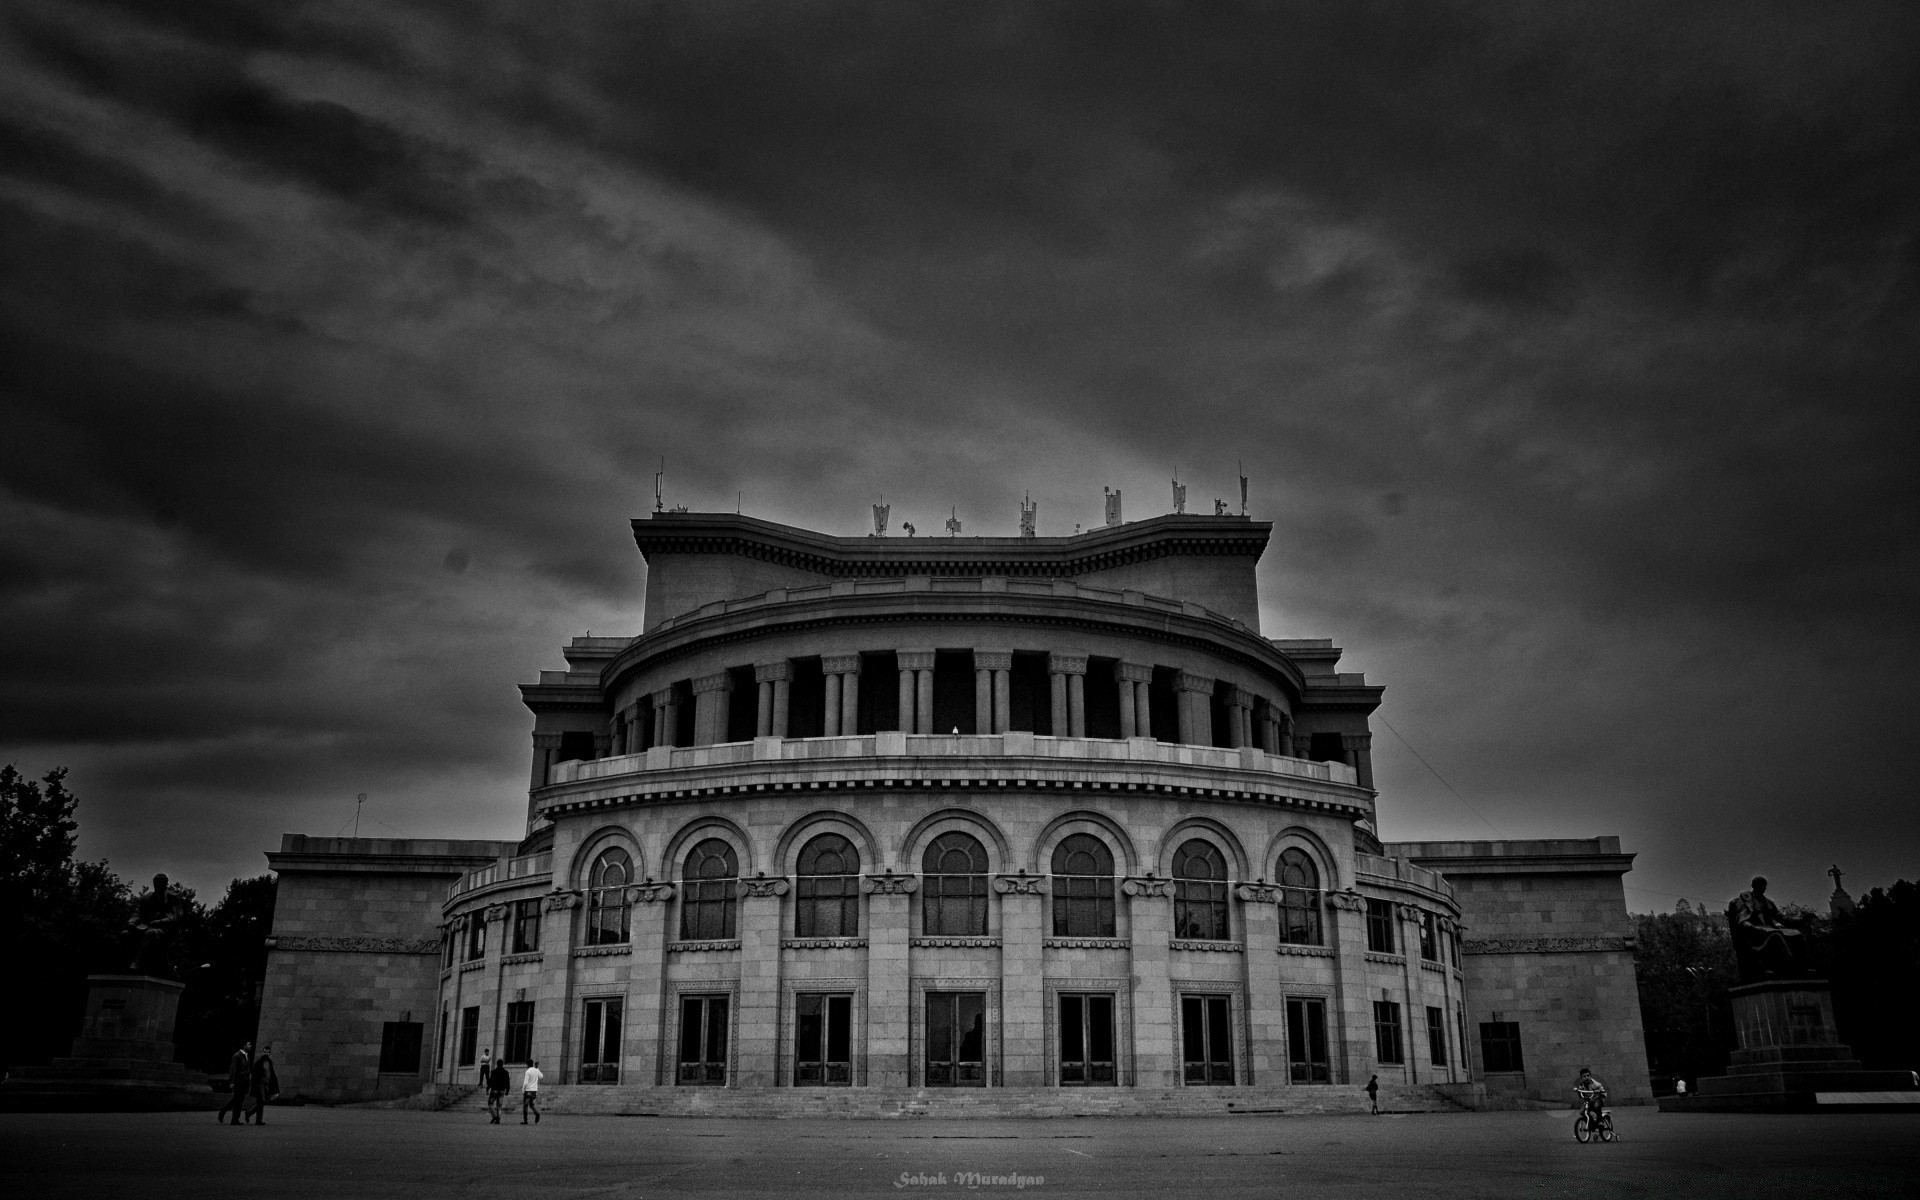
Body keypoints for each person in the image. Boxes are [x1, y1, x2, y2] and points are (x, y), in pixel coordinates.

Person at [217, 1042, 251, 1126]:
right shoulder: (237, 1056)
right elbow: (233, 1069)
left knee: (238, 1100)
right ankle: (227, 1114)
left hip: (244, 1082)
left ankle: (232, 1118)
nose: (250, 1046)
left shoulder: (246, 1056)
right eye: (249, 1044)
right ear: (244, 1045)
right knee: (237, 1100)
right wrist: (232, 1082)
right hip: (238, 1082)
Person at [246, 1043, 279, 1125]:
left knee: (263, 1102)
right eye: (265, 1052)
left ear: (269, 1053)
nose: (266, 1053)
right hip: (260, 1085)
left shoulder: (269, 1062)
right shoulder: (259, 1063)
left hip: (266, 1085)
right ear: (262, 1052)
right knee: (262, 1101)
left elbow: (271, 1074)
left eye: (268, 1052)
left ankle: (250, 1113)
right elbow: (255, 1075)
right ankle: (257, 1119)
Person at [521, 1060, 543, 1124]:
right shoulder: (536, 1070)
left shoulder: (528, 1071)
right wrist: (538, 1069)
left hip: (528, 1090)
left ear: (527, 1064)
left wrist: (523, 1089)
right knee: (532, 1105)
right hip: (534, 1090)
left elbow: (525, 1082)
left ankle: (525, 1120)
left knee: (525, 1105)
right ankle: (537, 1113)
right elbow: (541, 1077)